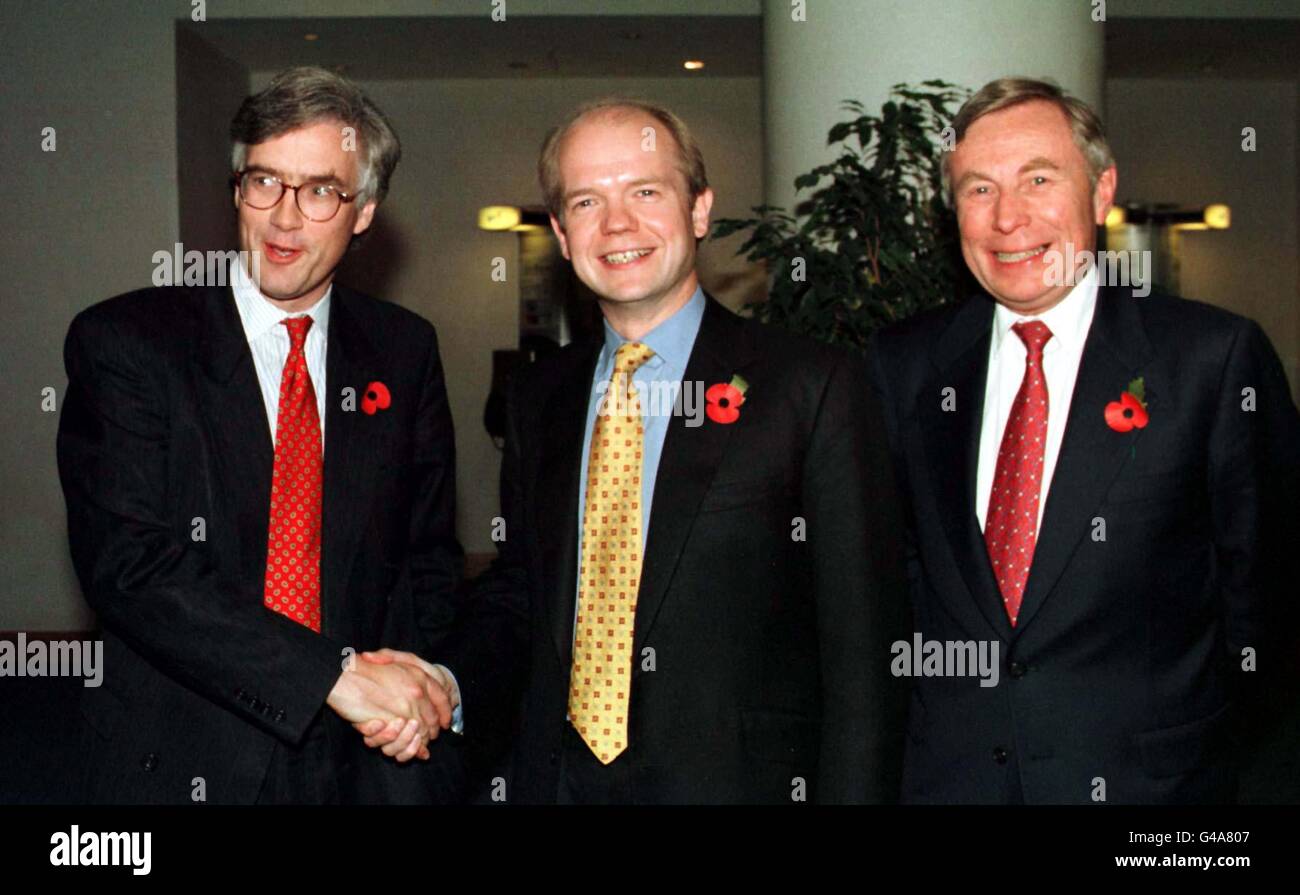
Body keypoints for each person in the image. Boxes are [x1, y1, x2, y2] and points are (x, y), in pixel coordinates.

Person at [450, 98, 908, 804]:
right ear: (563, 235)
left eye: (645, 191)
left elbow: (863, 661)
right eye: (586, 201)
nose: (617, 224)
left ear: (699, 210)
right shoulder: (538, 399)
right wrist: (442, 682)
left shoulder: (812, 387)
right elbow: (524, 596)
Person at [867, 77, 1300, 804]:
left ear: (1101, 191)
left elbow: (1271, 616)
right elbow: (895, 586)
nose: (1009, 217)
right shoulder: (903, 365)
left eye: (1039, 178)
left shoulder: (1210, 361)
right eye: (979, 189)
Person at [57, 67, 467, 804]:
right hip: (181, 752)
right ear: (236, 189)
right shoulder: (128, 341)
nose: (283, 218)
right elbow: (133, 567)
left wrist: (424, 685)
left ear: (365, 211)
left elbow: (426, 556)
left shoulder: (404, 350)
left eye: (319, 191)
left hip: (362, 757)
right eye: (263, 182)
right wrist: (330, 677)